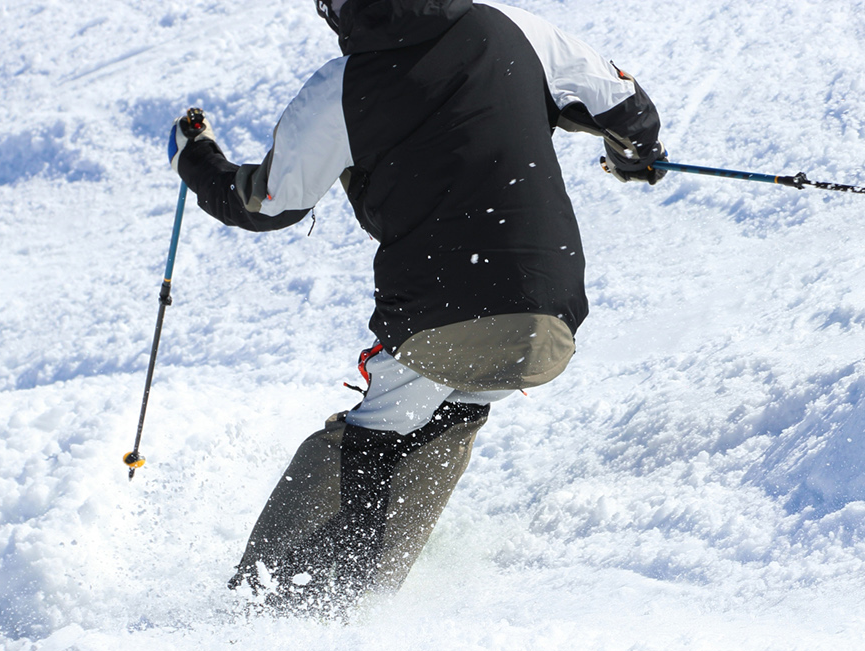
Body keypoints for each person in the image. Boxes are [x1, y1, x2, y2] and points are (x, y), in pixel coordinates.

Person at [168, 0, 667, 605]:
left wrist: (196, 159)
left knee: (373, 437)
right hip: (548, 314)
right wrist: (634, 154)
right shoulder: (514, 28)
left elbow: (267, 203)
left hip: (440, 312)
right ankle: (365, 601)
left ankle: (263, 607)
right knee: (453, 408)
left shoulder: (342, 87)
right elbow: (624, 103)